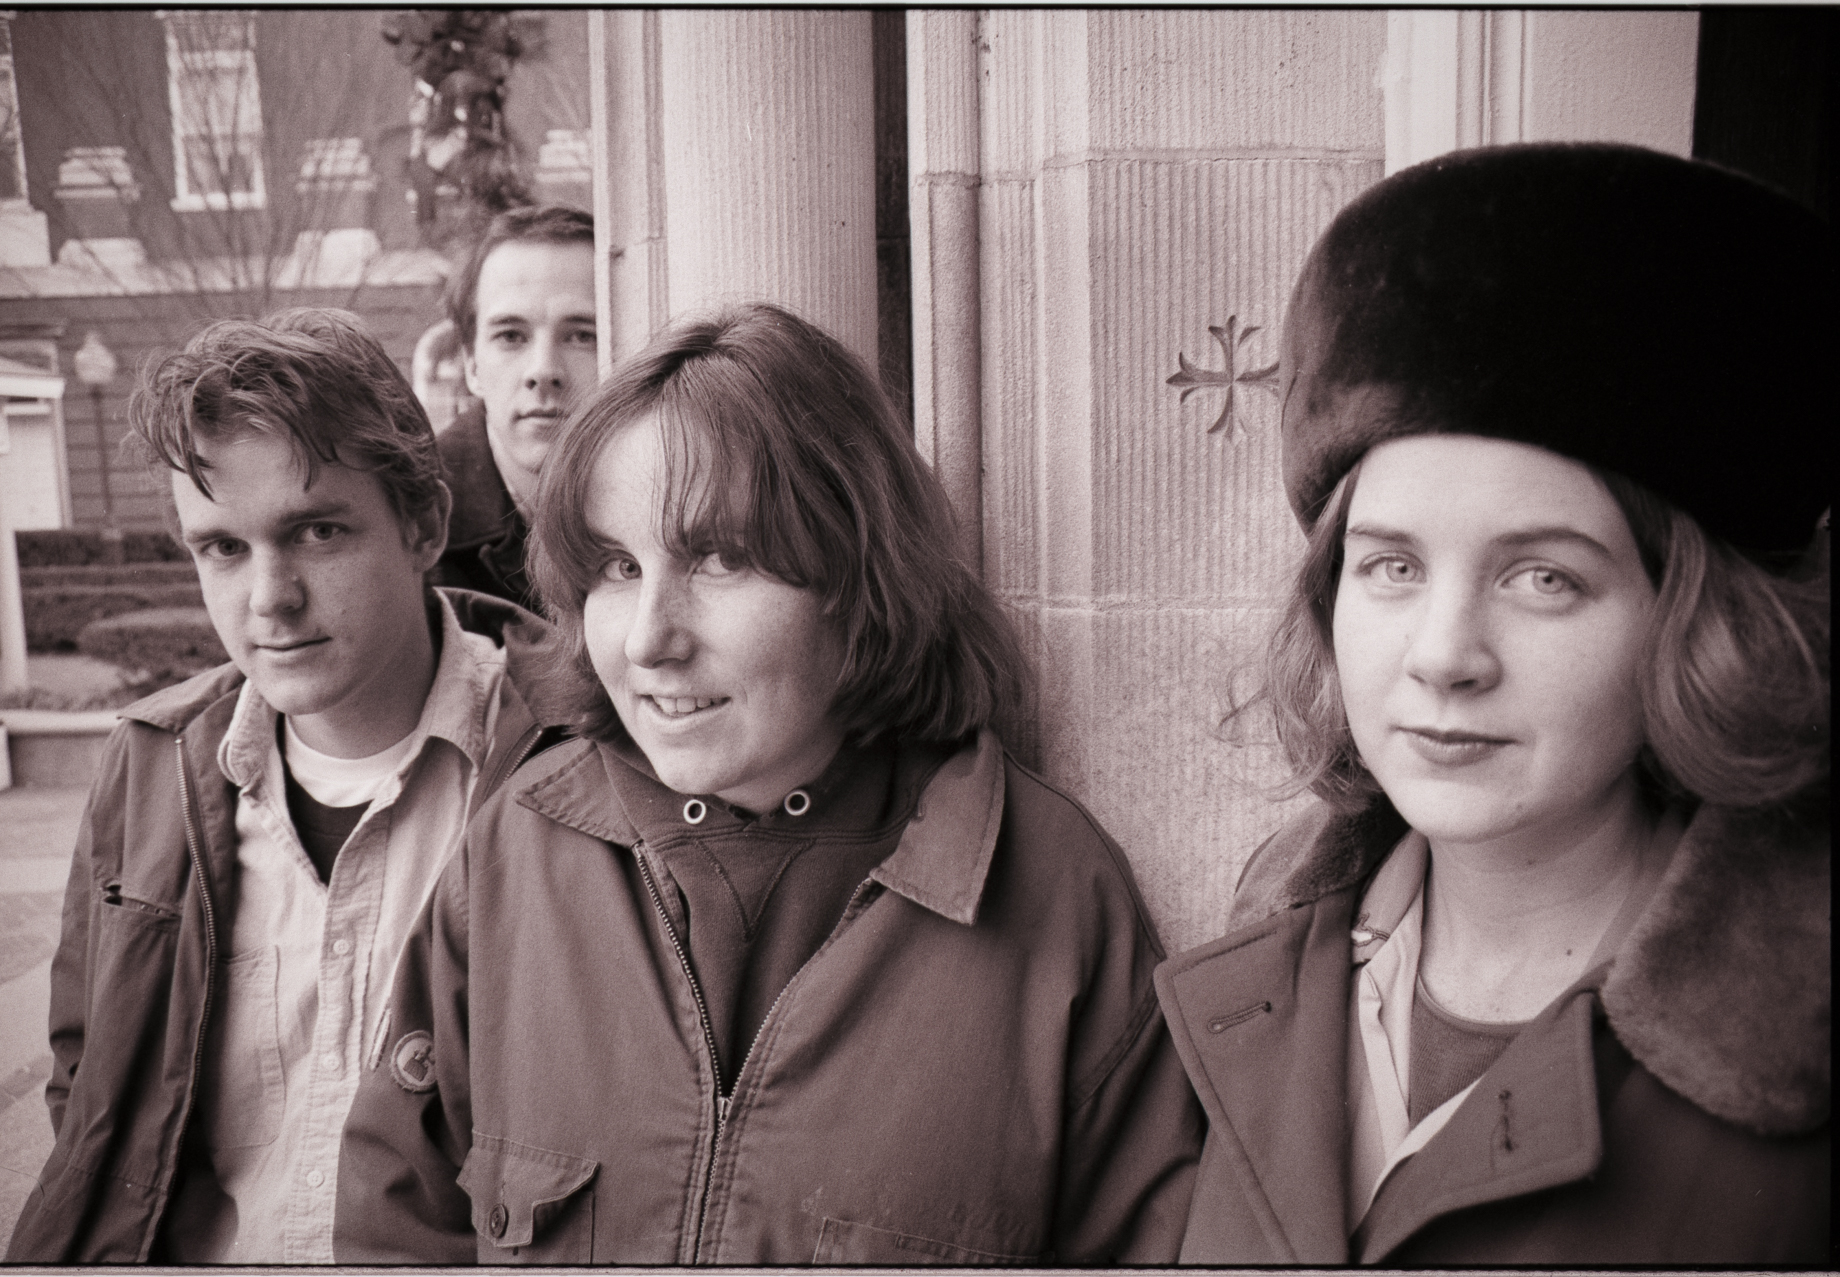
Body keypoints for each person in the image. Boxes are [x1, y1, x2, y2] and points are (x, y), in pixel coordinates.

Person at [336, 302, 1205, 1264]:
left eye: (721, 558)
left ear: (859, 573)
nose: (649, 639)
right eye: (618, 566)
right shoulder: (516, 850)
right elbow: (395, 1227)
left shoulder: (1051, 892)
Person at [1156, 143, 1831, 1264]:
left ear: (1699, 626)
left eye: (1543, 577)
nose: (1444, 656)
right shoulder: (1268, 942)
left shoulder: (1795, 1067)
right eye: (1392, 565)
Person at [5, 309, 574, 1263]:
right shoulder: (146, 763)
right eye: (222, 548)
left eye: (316, 531)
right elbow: (92, 1079)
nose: (269, 597)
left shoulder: (570, 759)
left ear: (425, 525)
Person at [432, 203, 598, 611]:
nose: (544, 371)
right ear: (471, 365)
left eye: (581, 336)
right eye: (511, 336)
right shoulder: (413, 526)